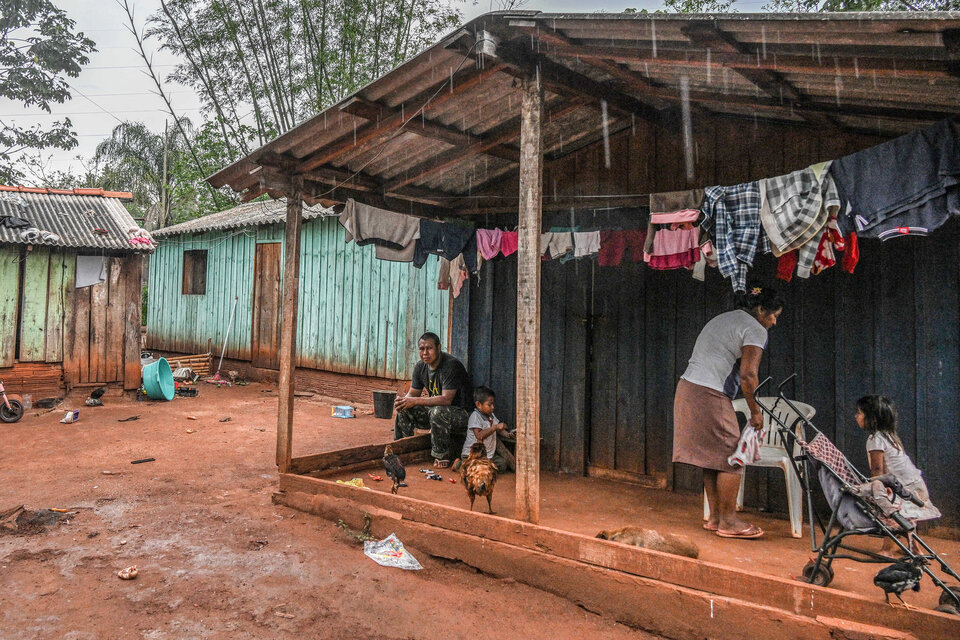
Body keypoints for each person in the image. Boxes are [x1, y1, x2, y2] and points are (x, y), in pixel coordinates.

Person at [673, 285, 784, 539]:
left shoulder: (723, 318)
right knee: (733, 455)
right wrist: (756, 412)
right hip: (710, 393)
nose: (774, 321)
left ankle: (715, 518)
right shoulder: (755, 328)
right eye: (773, 315)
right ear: (759, 310)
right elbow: (748, 375)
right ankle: (729, 521)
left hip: (688, 389)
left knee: (713, 458)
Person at [856, 395, 941, 551]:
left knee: (889, 513)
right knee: (904, 517)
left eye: (860, 413)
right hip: (914, 483)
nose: (857, 416)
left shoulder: (875, 439)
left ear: (872, 418)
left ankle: (887, 550)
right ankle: (914, 548)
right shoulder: (890, 436)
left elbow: (877, 469)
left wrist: (879, 487)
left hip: (902, 486)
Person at [394, 332, 471, 468]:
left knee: (437, 412)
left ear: (438, 347)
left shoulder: (451, 365)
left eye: (429, 348)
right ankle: (403, 448)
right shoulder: (420, 367)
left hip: (462, 414)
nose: (425, 353)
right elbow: (413, 393)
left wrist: (415, 401)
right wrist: (402, 401)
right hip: (438, 410)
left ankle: (441, 455)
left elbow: (446, 399)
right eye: (421, 349)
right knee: (404, 408)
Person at [458, 386, 511, 473]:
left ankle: (482, 468)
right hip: (473, 455)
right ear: (478, 404)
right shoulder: (475, 417)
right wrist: (495, 427)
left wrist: (508, 434)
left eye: (493, 404)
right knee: (475, 469)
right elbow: (479, 436)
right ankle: (459, 465)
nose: (493, 407)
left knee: (502, 464)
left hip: (488, 455)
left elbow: (499, 430)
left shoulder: (491, 415)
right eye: (489, 405)